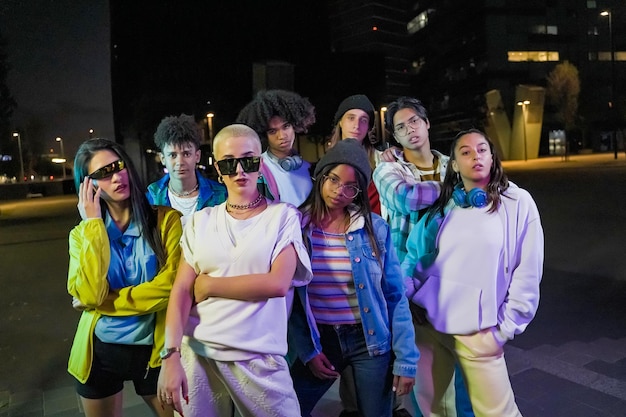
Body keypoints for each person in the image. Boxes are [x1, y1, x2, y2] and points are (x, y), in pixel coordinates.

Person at [157, 124, 313, 417]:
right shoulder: (199, 222)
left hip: (259, 356)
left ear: (261, 164)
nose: (240, 170)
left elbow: (278, 283)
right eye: (230, 163)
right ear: (218, 168)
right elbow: (180, 291)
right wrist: (171, 354)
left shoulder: (282, 217)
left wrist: (208, 286)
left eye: (249, 160)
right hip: (198, 352)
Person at [402, 129, 544, 417]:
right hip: (428, 325)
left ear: (492, 157)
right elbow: (414, 257)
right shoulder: (444, 207)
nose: (475, 156)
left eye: (481, 149)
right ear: (454, 164)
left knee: (499, 413)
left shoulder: (518, 202)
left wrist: (506, 327)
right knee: (433, 410)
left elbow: (528, 270)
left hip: (480, 332)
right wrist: (408, 295)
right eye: (465, 152)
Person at [289, 139, 419, 417]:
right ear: (321, 176)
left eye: (350, 186)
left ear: (359, 191)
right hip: (321, 339)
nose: (339, 191)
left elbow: (395, 296)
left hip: (369, 338)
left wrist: (406, 359)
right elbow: (292, 298)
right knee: (289, 408)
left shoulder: (373, 229)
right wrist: (308, 351)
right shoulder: (296, 227)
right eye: (333, 180)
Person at [67, 138, 183, 417]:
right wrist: (93, 225)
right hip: (100, 352)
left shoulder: (166, 221)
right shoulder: (81, 235)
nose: (116, 177)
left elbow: (173, 286)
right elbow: (90, 294)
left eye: (117, 166)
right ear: (88, 185)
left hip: (154, 351)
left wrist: (108, 303)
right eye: (102, 174)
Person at [236, 89, 316, 206]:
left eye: (286, 126)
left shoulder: (309, 169)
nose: (282, 136)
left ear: (295, 125)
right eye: (273, 131)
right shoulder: (257, 169)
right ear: (263, 135)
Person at [147, 113, 227, 226]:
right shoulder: (151, 198)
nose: (180, 162)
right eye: (173, 155)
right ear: (163, 158)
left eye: (186, 154)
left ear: (197, 156)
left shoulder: (221, 195)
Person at [327, 94, 382, 215]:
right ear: (340, 122)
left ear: (368, 127)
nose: (357, 125)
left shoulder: (380, 161)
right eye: (351, 118)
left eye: (363, 120)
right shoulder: (327, 163)